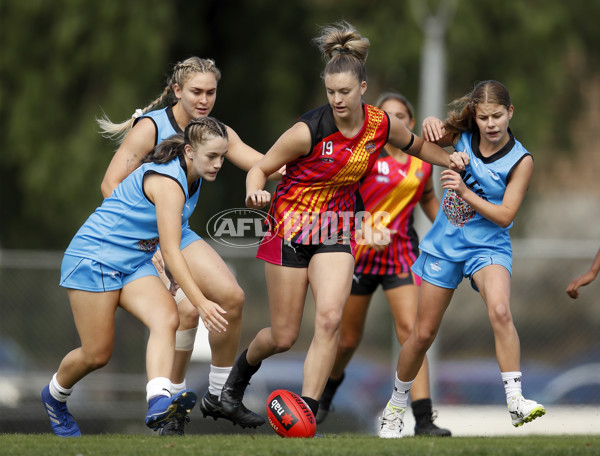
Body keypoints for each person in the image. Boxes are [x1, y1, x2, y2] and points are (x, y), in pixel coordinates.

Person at [217, 21, 468, 436]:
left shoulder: (380, 124)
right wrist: (253, 193)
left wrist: (450, 160)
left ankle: (308, 413)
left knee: (331, 319)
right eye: (331, 92)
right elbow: (260, 168)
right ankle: (236, 381)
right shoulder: (308, 131)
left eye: (345, 92)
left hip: (336, 228)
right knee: (283, 336)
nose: (337, 99)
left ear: (363, 87)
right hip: (289, 229)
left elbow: (418, 147)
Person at [97, 57, 268, 434]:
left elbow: (263, 161)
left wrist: (310, 169)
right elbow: (110, 185)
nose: (205, 99)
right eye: (196, 92)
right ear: (177, 91)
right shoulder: (151, 127)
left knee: (233, 297)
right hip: (138, 238)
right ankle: (170, 407)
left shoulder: (213, 130)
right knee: (186, 313)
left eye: (211, 92)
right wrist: (150, 243)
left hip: (179, 233)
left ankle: (220, 395)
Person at [376, 80, 546, 438]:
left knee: (500, 310)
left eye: (497, 116)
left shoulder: (522, 160)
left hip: (489, 247)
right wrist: (430, 125)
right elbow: (418, 144)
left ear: (510, 112)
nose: (491, 124)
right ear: (475, 116)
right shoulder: (461, 135)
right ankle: (394, 409)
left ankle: (515, 400)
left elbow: (504, 215)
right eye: (483, 117)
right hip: (445, 247)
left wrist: (465, 190)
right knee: (421, 335)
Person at [41, 117, 229, 437]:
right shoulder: (170, 183)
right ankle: (54, 396)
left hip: (132, 262)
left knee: (167, 317)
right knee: (97, 354)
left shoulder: (192, 177)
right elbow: (171, 251)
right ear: (189, 151)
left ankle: (158, 399)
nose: (219, 163)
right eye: (212, 156)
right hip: (94, 259)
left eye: (223, 156)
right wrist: (201, 302)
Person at [316, 92, 450, 436]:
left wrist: (452, 234)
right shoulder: (365, 157)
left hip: (401, 259)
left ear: (411, 122)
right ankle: (325, 395)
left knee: (414, 333)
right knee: (346, 341)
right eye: (387, 115)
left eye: (400, 116)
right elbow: (339, 199)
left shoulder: (421, 162)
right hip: (357, 258)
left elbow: (429, 198)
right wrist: (360, 229)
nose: (394, 121)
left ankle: (423, 420)